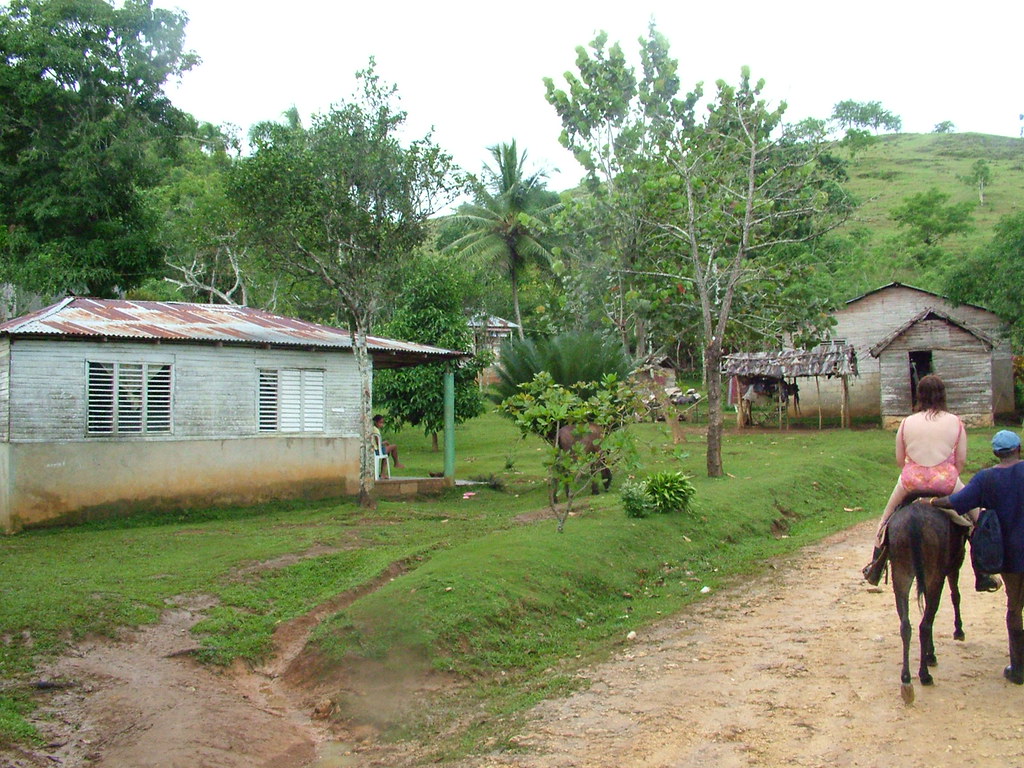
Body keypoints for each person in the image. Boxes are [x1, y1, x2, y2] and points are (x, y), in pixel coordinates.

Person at [929, 430, 1024, 684]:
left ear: (996, 454)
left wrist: (934, 502)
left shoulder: (986, 479)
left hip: (1011, 556)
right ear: (1019, 449)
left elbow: (957, 502)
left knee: (1015, 606)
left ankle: (1018, 669)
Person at [862, 375, 971, 586]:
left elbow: (899, 460)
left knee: (885, 519)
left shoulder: (906, 422)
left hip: (912, 481)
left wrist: (917, 473)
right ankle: (983, 571)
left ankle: (875, 565)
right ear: (942, 395)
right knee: (976, 519)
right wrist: (945, 475)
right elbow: (961, 461)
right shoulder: (955, 422)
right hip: (945, 481)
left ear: (919, 395)